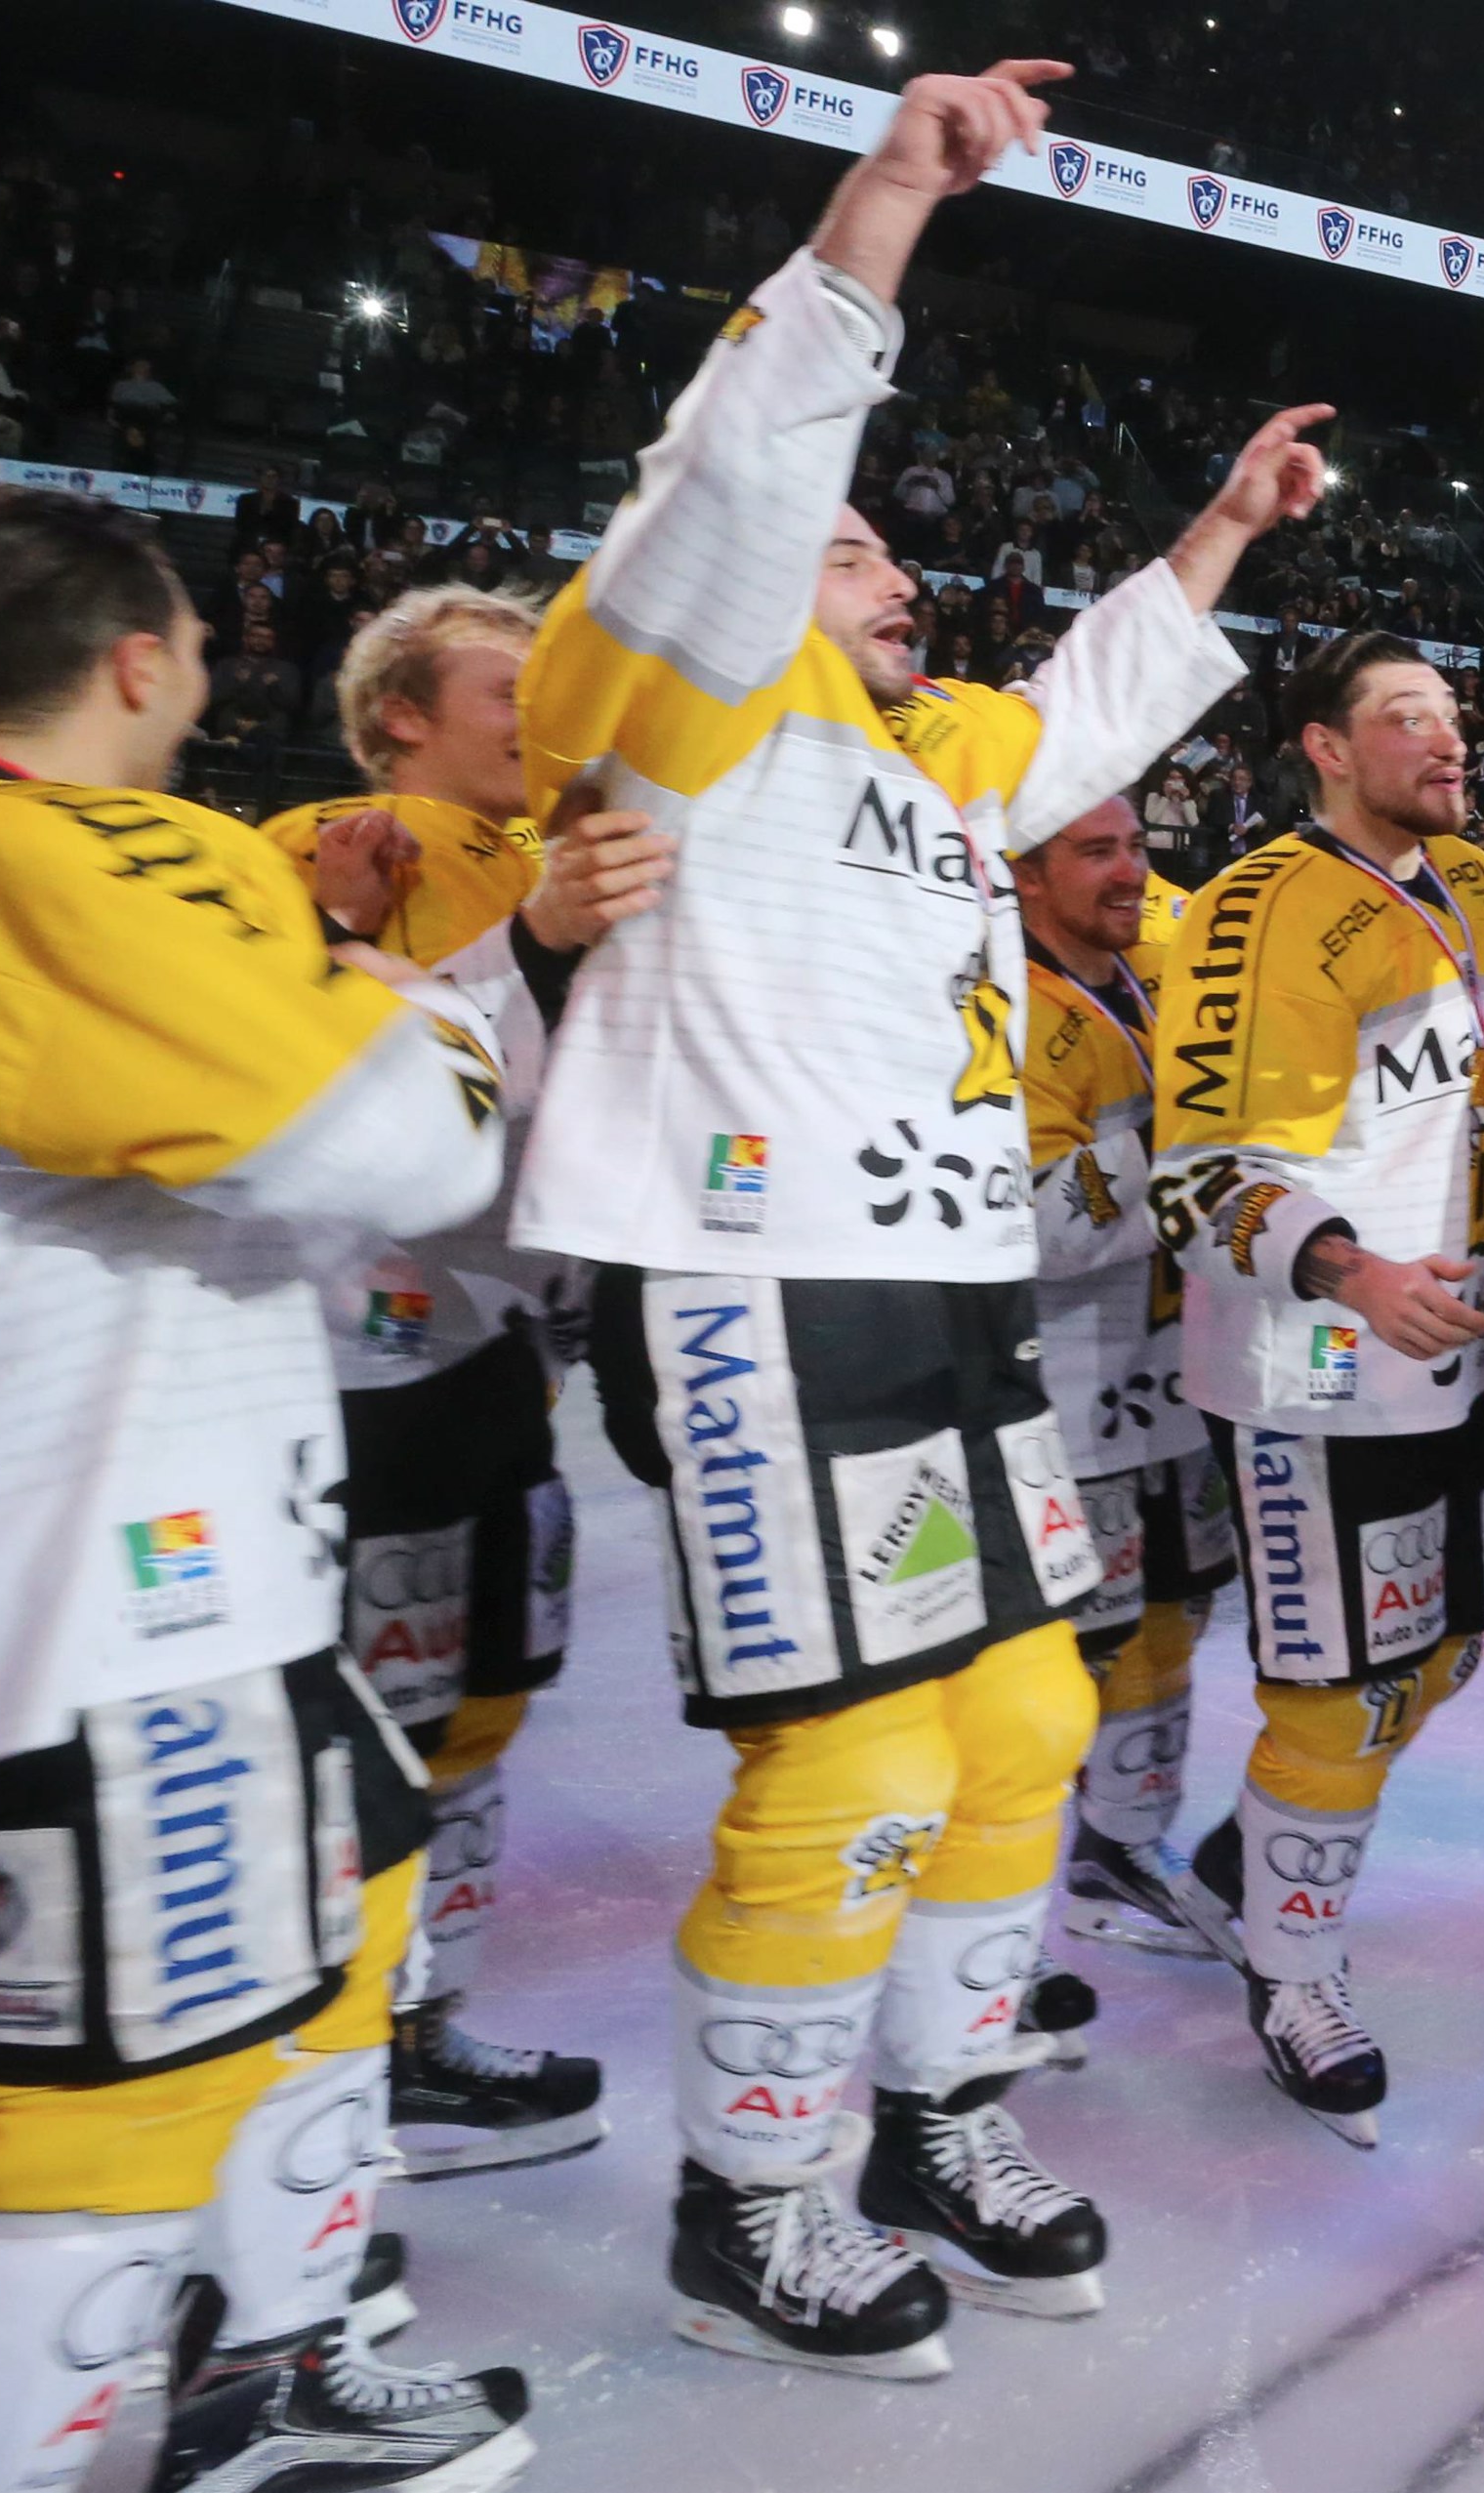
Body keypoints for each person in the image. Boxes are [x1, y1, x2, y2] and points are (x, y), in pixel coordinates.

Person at [508, 60, 1317, 2375]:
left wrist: (1223, 525)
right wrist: (884, 201)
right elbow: (733, 484)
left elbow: (1088, 707)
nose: (898, 576)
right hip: (757, 1291)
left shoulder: (927, 753)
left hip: (947, 1296)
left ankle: (933, 2115)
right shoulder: (670, 687)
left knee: (1024, 1714)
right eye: (861, 552)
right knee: (850, 1753)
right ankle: (745, 2199)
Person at [0, 486, 530, 2493]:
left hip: (173, 1588)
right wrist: (398, 996)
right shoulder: (37, 850)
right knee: (101, 2132)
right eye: (195, 636)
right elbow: (387, 1147)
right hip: (97, 1613)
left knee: (357, 1887)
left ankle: (274, 2365)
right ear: (136, 661)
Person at [259, 585, 675, 2177]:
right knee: (378, 1721)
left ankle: (418, 2029)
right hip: (370, 1360)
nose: (541, 716)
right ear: (400, 718)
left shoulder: (570, 851)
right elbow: (352, 1101)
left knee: (483, 1704)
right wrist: (367, 936)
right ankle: (332, 2051)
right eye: (509, 690)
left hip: (510, 1354)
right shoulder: (320, 845)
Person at [1141, 630, 1484, 2148]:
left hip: (1454, 1351)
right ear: (1323, 745)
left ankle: (1258, 1850)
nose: (1447, 739)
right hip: (1314, 1366)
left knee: (1447, 1650)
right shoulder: (1258, 908)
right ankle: (1294, 1974)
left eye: (1450, 713)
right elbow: (1202, 1177)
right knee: (1337, 1691)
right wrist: (1352, 1271)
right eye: (1404, 716)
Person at [1008, 794, 1244, 1957]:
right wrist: (1189, 1135)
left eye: (1136, 846)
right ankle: (1004, 1887)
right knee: (1073, 1649)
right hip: (1067, 1393)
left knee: (1171, 1616)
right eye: (1095, 851)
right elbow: (1041, 1225)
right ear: (1025, 875)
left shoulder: (1150, 976)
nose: (1129, 872)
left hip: (1173, 1378)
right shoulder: (1006, 1011)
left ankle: (1121, 1844)